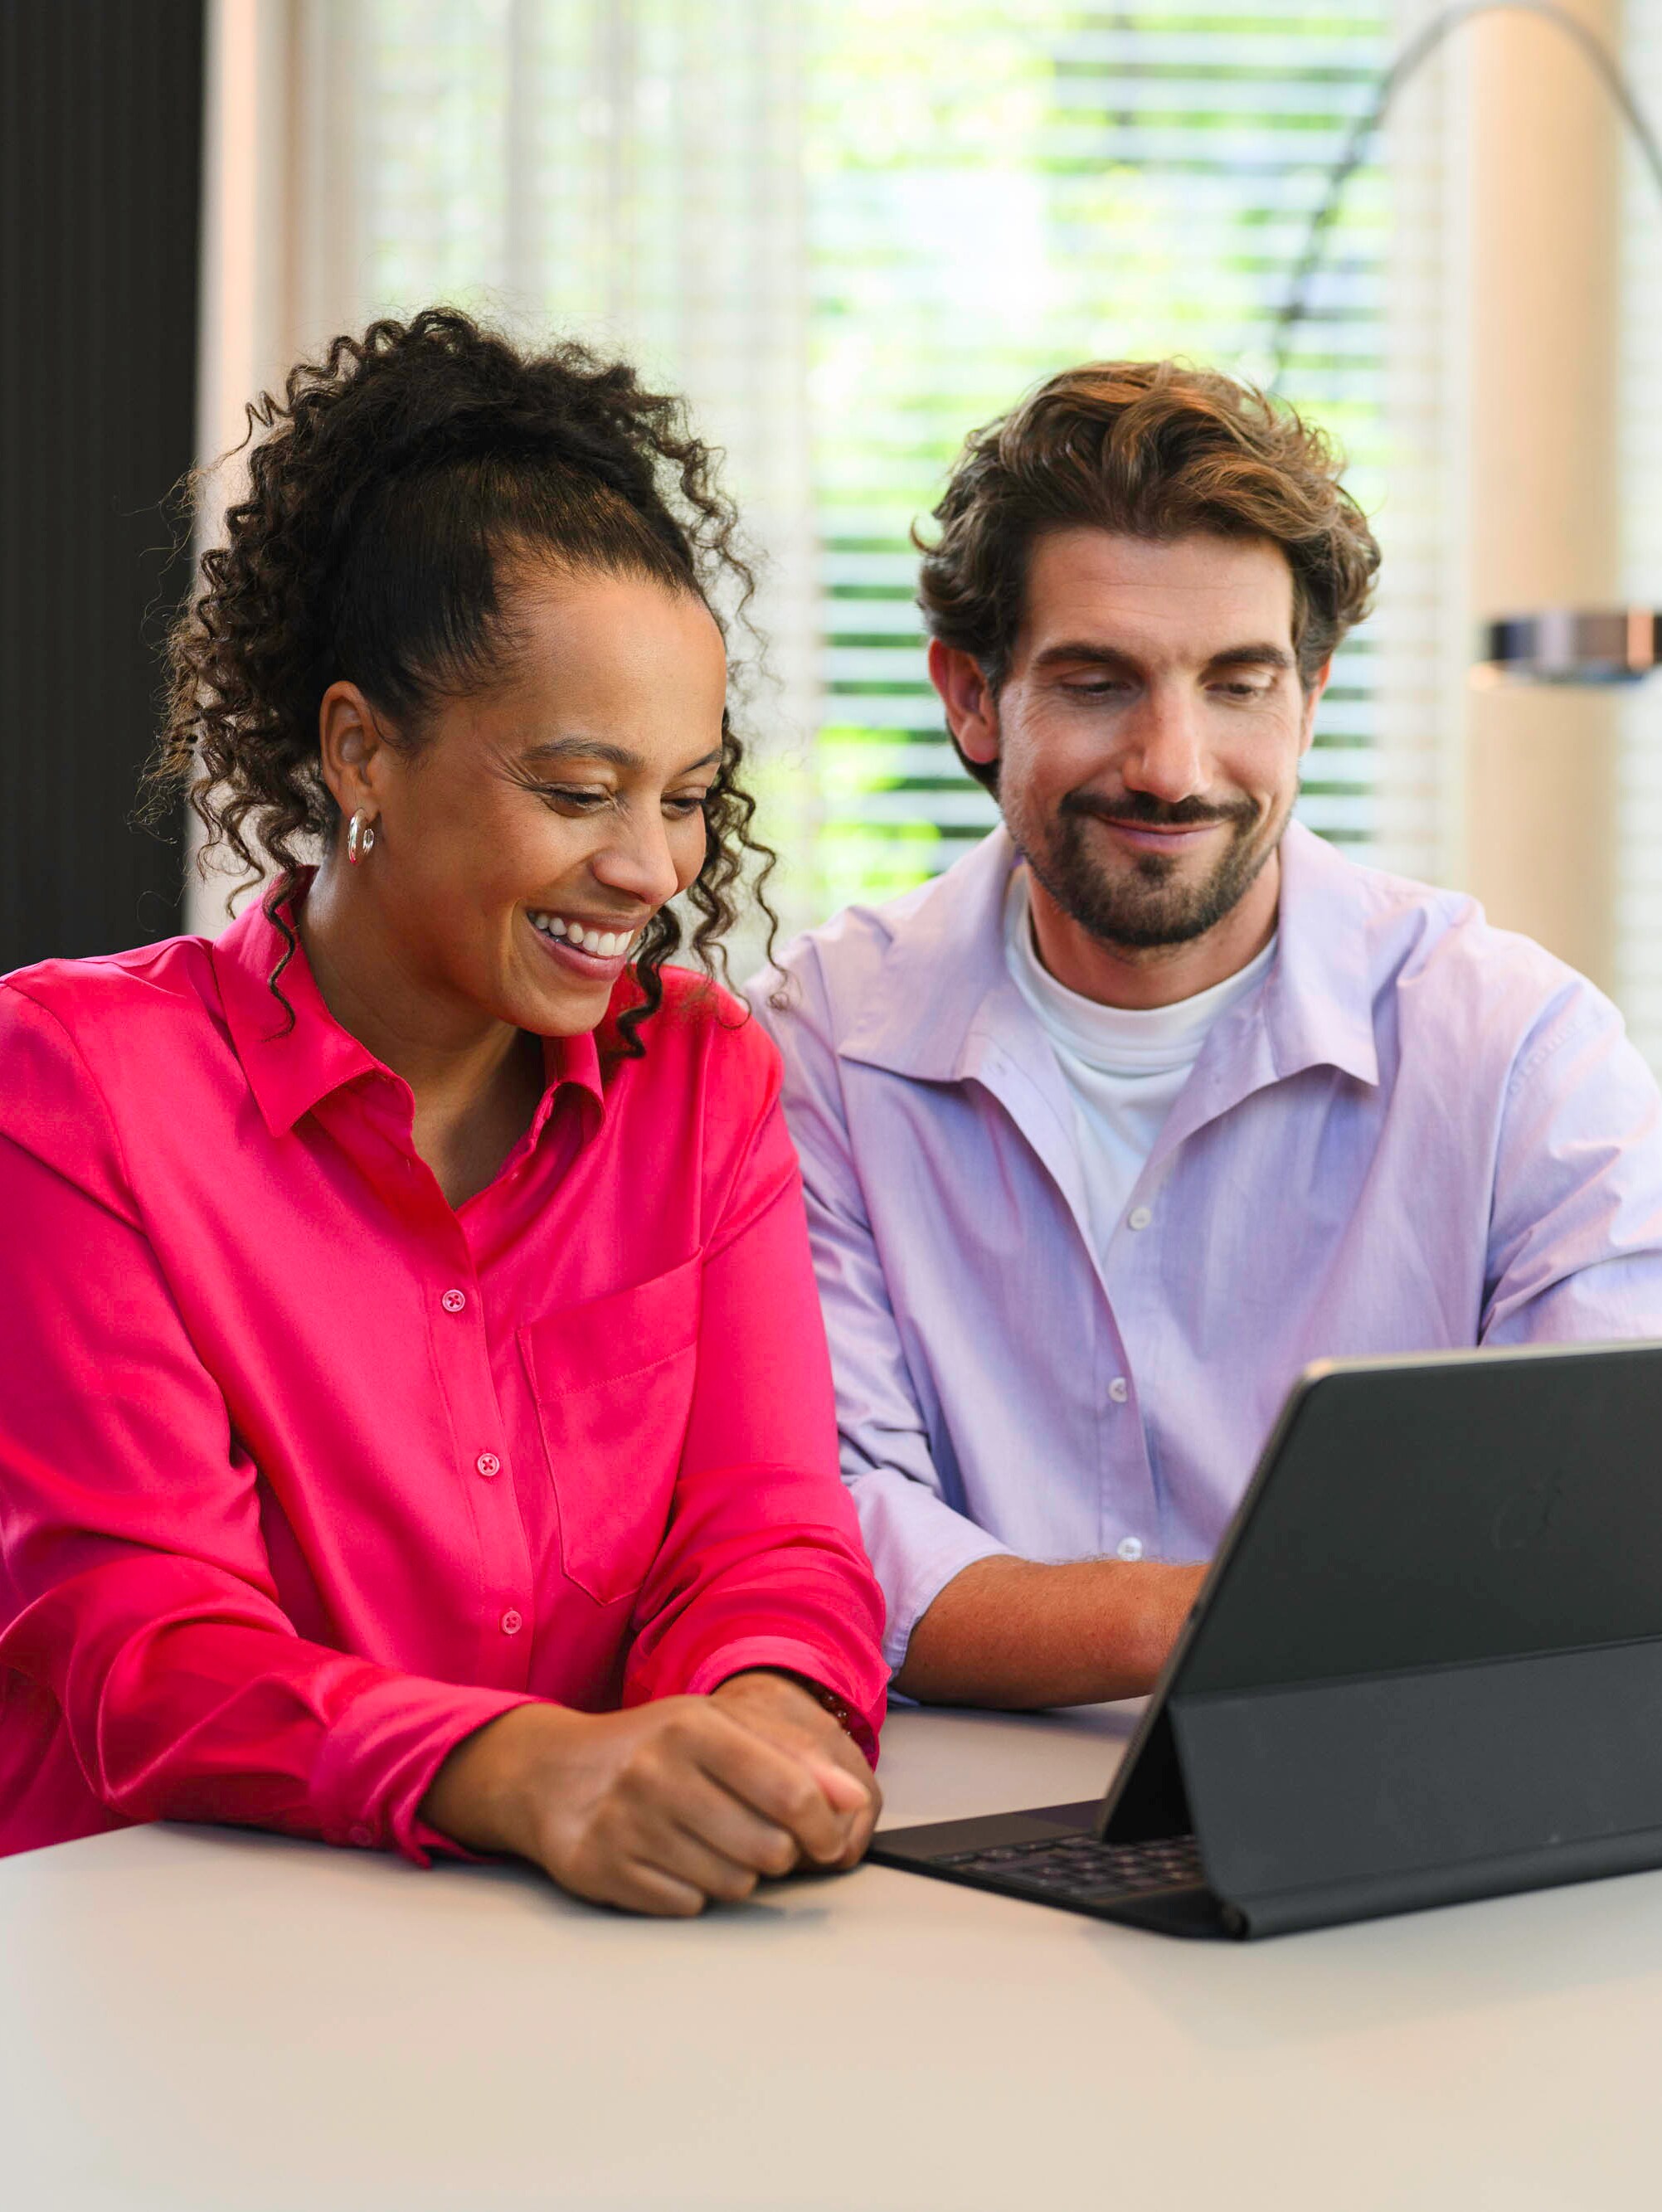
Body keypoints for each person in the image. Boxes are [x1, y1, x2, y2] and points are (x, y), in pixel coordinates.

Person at [0, 309, 886, 1914]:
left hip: (568, 1941)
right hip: (164, 1951)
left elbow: (767, 1539)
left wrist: (761, 1729)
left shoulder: (701, 1080)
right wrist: (530, 1773)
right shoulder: (74, 1081)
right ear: (362, 754)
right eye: (578, 790)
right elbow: (146, 1650)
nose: (651, 868)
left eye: (687, 798)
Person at [749, 360, 1662, 1711]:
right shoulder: (822, 1042)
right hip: (945, 1809)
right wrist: (1224, 1621)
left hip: (1386, 1786)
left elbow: (1590, 1540)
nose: (1172, 767)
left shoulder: (1523, 1054)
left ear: (1311, 696)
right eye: (1098, 682)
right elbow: (816, 1520)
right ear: (972, 697)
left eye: (1238, 684)